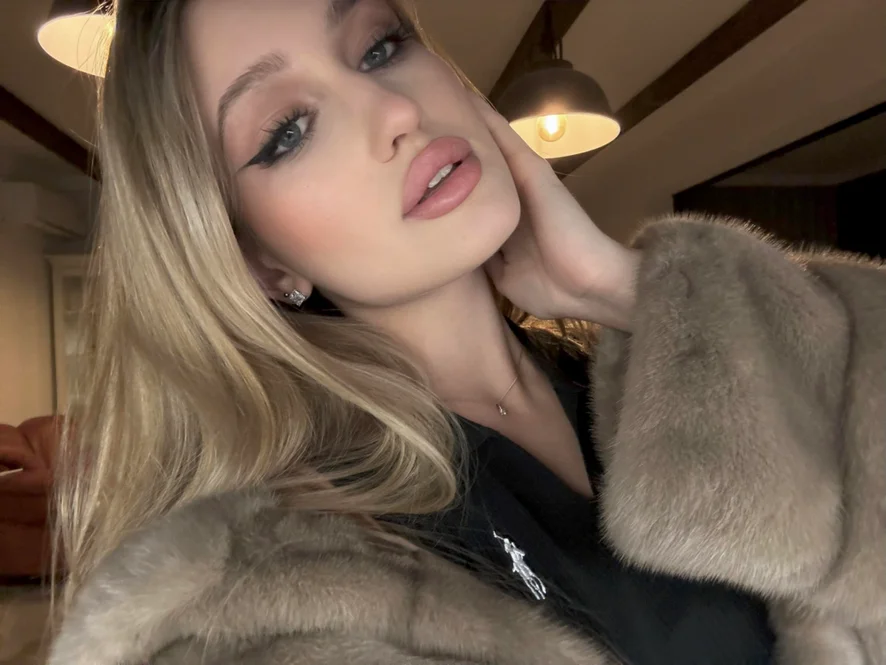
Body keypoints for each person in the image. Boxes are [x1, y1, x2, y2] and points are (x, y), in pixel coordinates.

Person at [48, 0, 885, 663]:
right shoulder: (273, 591)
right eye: (287, 131)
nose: (393, 109)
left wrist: (626, 288)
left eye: (379, 46)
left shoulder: (639, 368)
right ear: (258, 261)